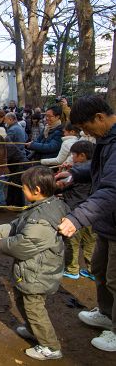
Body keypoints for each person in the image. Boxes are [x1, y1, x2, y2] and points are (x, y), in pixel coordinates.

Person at [0, 166, 70, 360]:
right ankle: (33, 330)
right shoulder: (44, 206)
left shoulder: (42, 221)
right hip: (31, 271)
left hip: (38, 273)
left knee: (34, 309)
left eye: (23, 187)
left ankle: (50, 346)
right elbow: (17, 225)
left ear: (36, 190)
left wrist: (1, 243)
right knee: (23, 301)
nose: (21, 189)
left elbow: (23, 244)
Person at [58, 96, 116, 352]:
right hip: (109, 221)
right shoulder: (108, 140)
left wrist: (77, 218)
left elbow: (113, 188)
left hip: (111, 216)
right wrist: (75, 173)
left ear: (100, 118)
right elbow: (101, 168)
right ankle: (106, 313)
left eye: (86, 127)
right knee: (101, 271)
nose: (85, 133)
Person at [56, 140, 96, 280]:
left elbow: (61, 186)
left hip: (75, 211)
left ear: (82, 156)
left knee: (72, 241)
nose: (72, 157)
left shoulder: (76, 173)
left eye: (74, 155)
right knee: (90, 242)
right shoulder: (97, 168)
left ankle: (72, 269)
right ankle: (92, 270)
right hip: (93, 211)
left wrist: (61, 172)